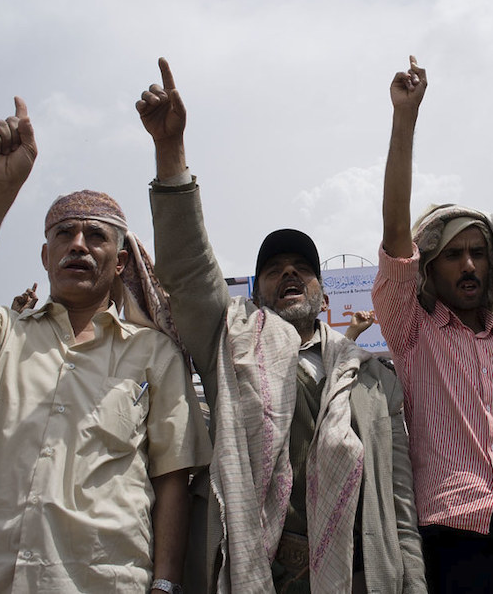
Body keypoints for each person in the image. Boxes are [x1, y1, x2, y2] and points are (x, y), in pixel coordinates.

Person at [137, 58, 425, 594]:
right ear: (256, 291)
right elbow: (189, 269)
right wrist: (170, 152)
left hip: (359, 575)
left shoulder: (370, 377)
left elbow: (398, 500)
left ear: (321, 292)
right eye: (274, 269)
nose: (289, 274)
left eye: (302, 269)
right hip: (259, 572)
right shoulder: (230, 344)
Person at [0, 98, 212, 593]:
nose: (78, 244)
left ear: (121, 263)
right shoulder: (2, 334)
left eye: (96, 236)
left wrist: (166, 583)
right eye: (65, 234)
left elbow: (172, 477)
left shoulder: (153, 354)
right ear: (45, 255)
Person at [372, 56, 493, 594]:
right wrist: (404, 119)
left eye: (478, 253)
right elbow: (394, 236)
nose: (469, 265)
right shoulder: (416, 334)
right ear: (430, 268)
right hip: (450, 532)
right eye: (453, 254)